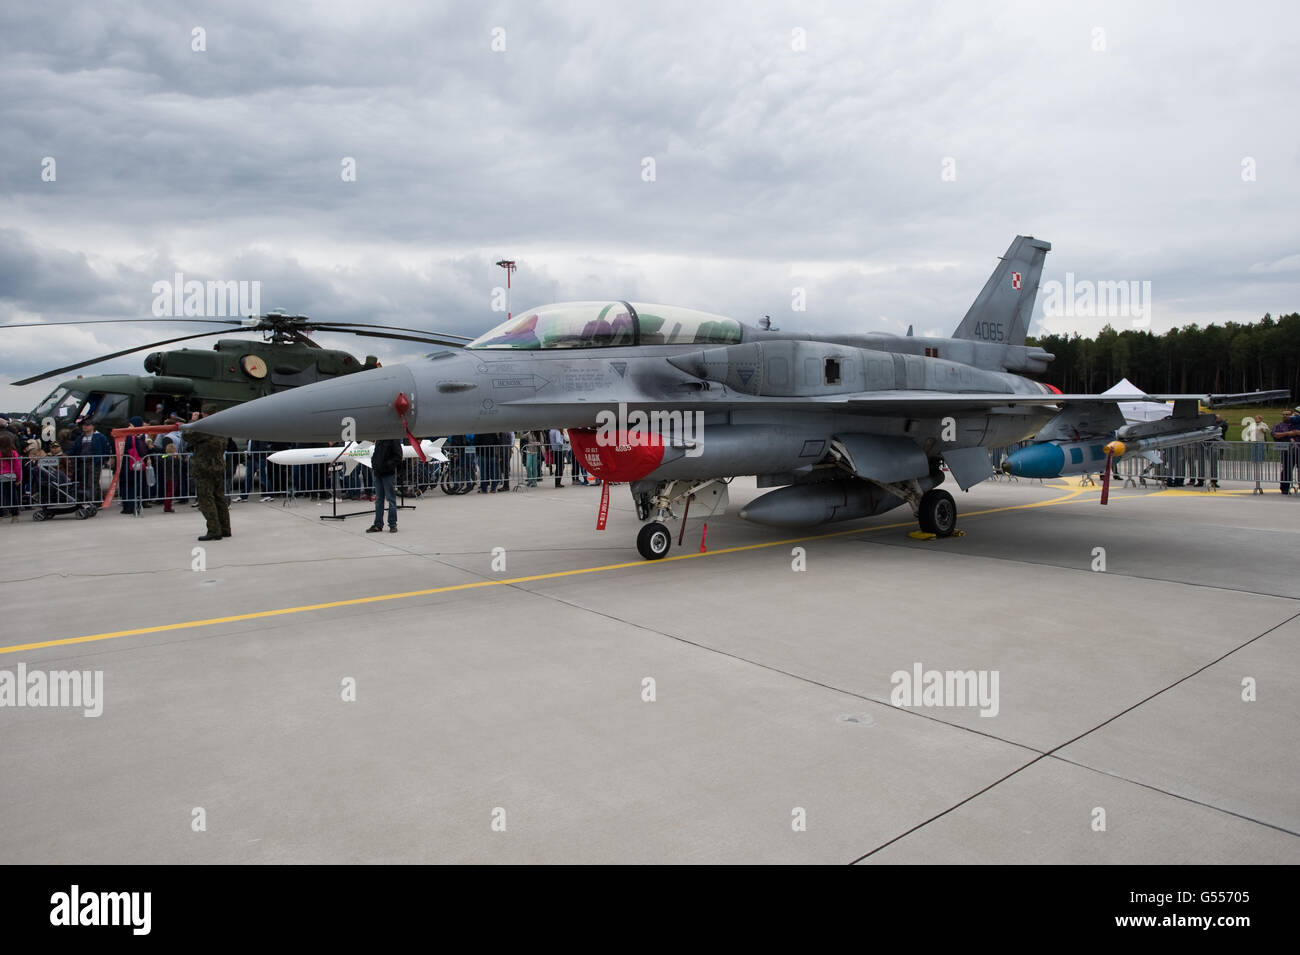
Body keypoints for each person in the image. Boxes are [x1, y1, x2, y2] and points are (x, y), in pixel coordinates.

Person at [187, 406, 231, 540]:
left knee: (206, 499)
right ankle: (225, 528)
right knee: (219, 498)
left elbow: (187, 435)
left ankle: (214, 530)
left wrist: (192, 421)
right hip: (218, 467)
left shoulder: (205, 428)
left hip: (204, 468)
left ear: (205, 415)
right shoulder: (222, 427)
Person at [367, 437, 402, 533]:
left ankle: (392, 524)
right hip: (378, 472)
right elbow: (376, 453)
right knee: (379, 500)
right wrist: (374, 464)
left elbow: (398, 456)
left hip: (387, 473)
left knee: (391, 500)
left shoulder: (393, 438)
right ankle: (378, 524)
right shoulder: (380, 438)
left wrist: (387, 465)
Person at [1274, 411, 1300, 495]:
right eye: (1284, 414)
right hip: (1287, 451)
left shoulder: (1297, 424)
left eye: (1287, 414)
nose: (1285, 416)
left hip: (1298, 450)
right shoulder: (1279, 425)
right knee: (1286, 470)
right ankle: (1285, 488)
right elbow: (1275, 434)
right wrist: (1288, 433)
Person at [0, 433, 20, 522]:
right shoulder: (13, 453)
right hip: (11, 477)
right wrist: (19, 478)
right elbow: (17, 467)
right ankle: (15, 516)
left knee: (0, 496)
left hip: (1, 476)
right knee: (12, 496)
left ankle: (0, 516)